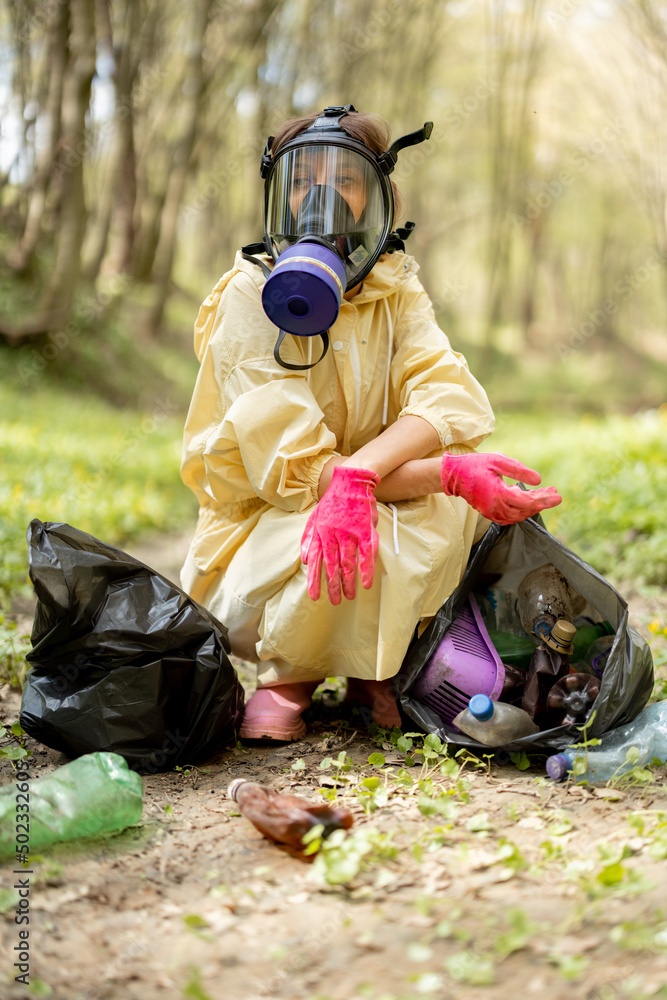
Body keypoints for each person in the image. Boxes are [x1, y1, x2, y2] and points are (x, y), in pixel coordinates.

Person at [179, 104, 561, 741]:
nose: (321, 199)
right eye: (303, 181)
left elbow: (444, 393)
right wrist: (435, 473)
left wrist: (368, 472)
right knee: (342, 518)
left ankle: (370, 673)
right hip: (266, 526)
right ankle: (289, 677)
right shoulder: (249, 295)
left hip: (368, 484)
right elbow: (299, 469)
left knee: (444, 504)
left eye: (344, 181)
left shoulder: (395, 287)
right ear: (278, 192)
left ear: (377, 197)